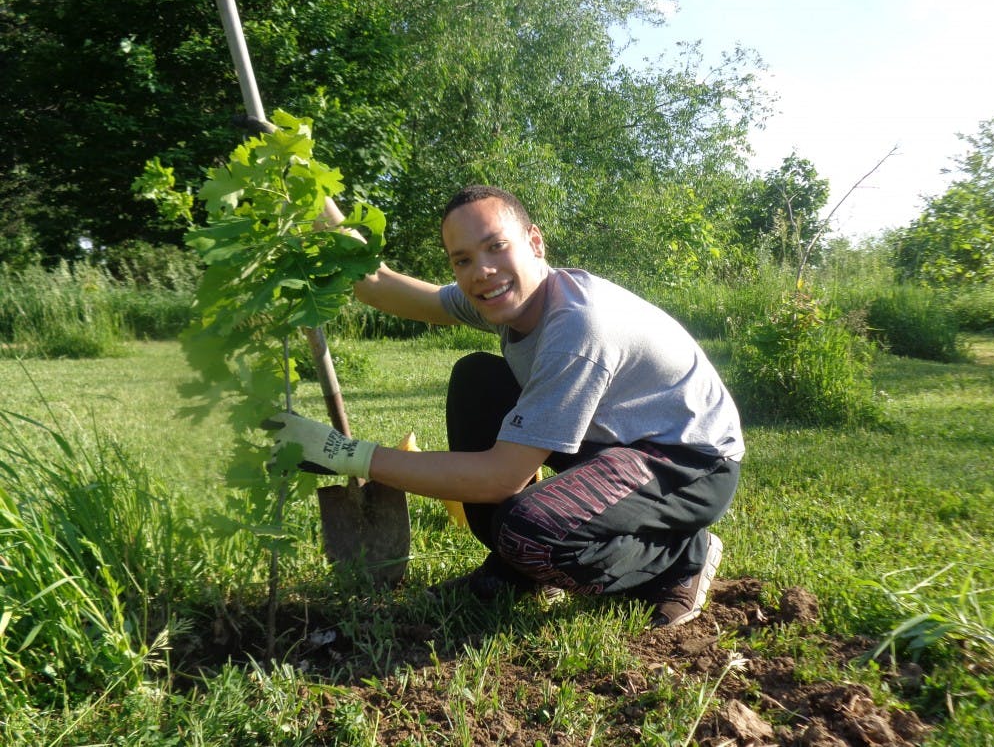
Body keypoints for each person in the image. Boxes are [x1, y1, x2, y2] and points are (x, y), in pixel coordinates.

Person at [266, 185, 744, 627]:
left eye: (496, 247)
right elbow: (376, 284)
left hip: (689, 460)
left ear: (535, 242)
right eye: (463, 259)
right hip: (616, 437)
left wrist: (341, 452)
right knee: (477, 379)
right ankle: (517, 572)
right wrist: (308, 191)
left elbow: (500, 478)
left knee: (529, 531)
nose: (482, 272)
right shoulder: (500, 297)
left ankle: (681, 558)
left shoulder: (579, 329)